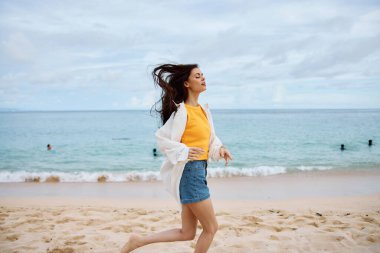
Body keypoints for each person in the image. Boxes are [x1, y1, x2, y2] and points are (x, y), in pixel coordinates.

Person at [120, 64, 233, 253]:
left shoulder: (204, 111)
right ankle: (137, 241)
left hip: (198, 172)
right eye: (198, 76)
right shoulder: (182, 112)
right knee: (211, 228)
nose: (203, 78)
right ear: (187, 83)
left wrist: (220, 149)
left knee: (187, 233)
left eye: (203, 75)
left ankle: (137, 241)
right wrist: (184, 151)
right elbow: (162, 139)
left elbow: (210, 139)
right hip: (190, 175)